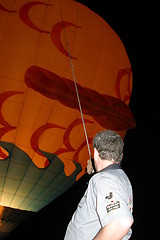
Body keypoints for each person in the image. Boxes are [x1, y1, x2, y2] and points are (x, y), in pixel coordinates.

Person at [64, 130, 133, 240]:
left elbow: (121, 222)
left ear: (96, 153)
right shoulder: (120, 178)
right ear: (121, 156)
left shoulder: (104, 179)